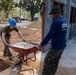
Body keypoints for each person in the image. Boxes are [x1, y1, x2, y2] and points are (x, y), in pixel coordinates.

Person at [38, 6, 67, 75]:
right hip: (62, 46)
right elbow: (59, 33)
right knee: (55, 61)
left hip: (56, 47)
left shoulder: (56, 22)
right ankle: (52, 73)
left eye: (53, 14)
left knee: (47, 61)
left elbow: (49, 35)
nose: (53, 16)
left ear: (56, 13)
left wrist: (42, 44)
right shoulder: (64, 20)